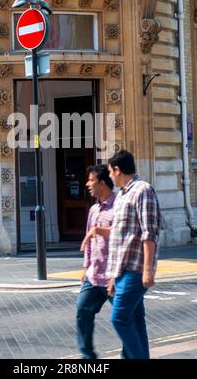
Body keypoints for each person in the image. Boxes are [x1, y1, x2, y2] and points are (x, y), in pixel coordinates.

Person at [106, 149, 161, 359]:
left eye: (111, 171)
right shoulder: (122, 195)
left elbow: (149, 233)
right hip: (122, 270)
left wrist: (148, 272)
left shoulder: (142, 190)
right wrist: (113, 276)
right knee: (136, 320)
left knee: (119, 318)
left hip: (135, 269)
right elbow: (120, 239)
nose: (110, 176)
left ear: (118, 170)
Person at [76, 164, 116, 359]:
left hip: (113, 276)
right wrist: (85, 266)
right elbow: (89, 240)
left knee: (124, 320)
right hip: (94, 275)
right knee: (82, 310)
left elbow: (123, 236)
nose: (87, 184)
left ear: (102, 183)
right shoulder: (93, 210)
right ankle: (88, 357)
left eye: (91, 180)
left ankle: (131, 354)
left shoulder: (119, 206)